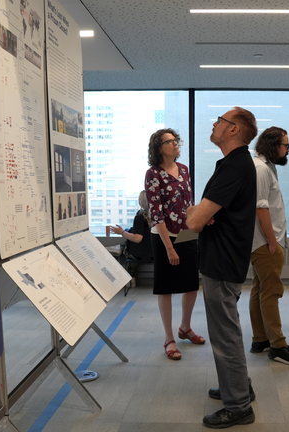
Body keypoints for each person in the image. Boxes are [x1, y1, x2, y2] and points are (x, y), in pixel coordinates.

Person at [187, 107, 258, 428]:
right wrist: (200, 212)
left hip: (222, 262)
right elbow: (204, 214)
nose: (214, 123)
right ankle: (239, 386)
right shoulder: (234, 164)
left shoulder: (235, 166)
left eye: (220, 120)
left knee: (224, 335)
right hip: (225, 259)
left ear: (234, 130)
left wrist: (196, 213)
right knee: (228, 330)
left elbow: (196, 220)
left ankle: (239, 406)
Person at [247, 127, 289, 366]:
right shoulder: (261, 169)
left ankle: (260, 339)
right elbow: (260, 208)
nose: (288, 149)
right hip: (265, 242)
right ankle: (278, 346)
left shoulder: (266, 166)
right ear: (274, 146)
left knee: (259, 289)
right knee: (271, 292)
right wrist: (272, 242)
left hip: (264, 241)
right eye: (285, 145)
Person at [144, 128, 203, 361]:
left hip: (187, 233)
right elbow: (156, 214)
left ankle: (185, 328)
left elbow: (189, 203)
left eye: (176, 140)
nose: (176, 143)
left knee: (191, 284)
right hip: (163, 236)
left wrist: (199, 220)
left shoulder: (185, 170)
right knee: (166, 287)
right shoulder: (153, 174)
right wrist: (169, 247)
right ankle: (169, 338)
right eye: (170, 141)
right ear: (159, 148)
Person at [109, 191, 152, 257]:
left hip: (141, 254)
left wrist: (122, 232)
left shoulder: (140, 217)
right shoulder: (157, 215)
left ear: (141, 202)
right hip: (155, 252)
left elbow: (137, 238)